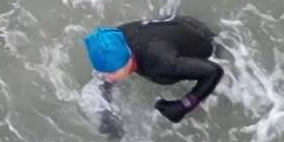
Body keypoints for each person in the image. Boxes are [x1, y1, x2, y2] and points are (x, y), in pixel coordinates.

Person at [82, 18, 225, 123]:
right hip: (173, 28)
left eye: (113, 72)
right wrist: (107, 117)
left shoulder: (159, 63)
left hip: (207, 43)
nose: (108, 77)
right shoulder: (114, 38)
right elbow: (107, 75)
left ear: (129, 59)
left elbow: (214, 71)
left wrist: (184, 105)